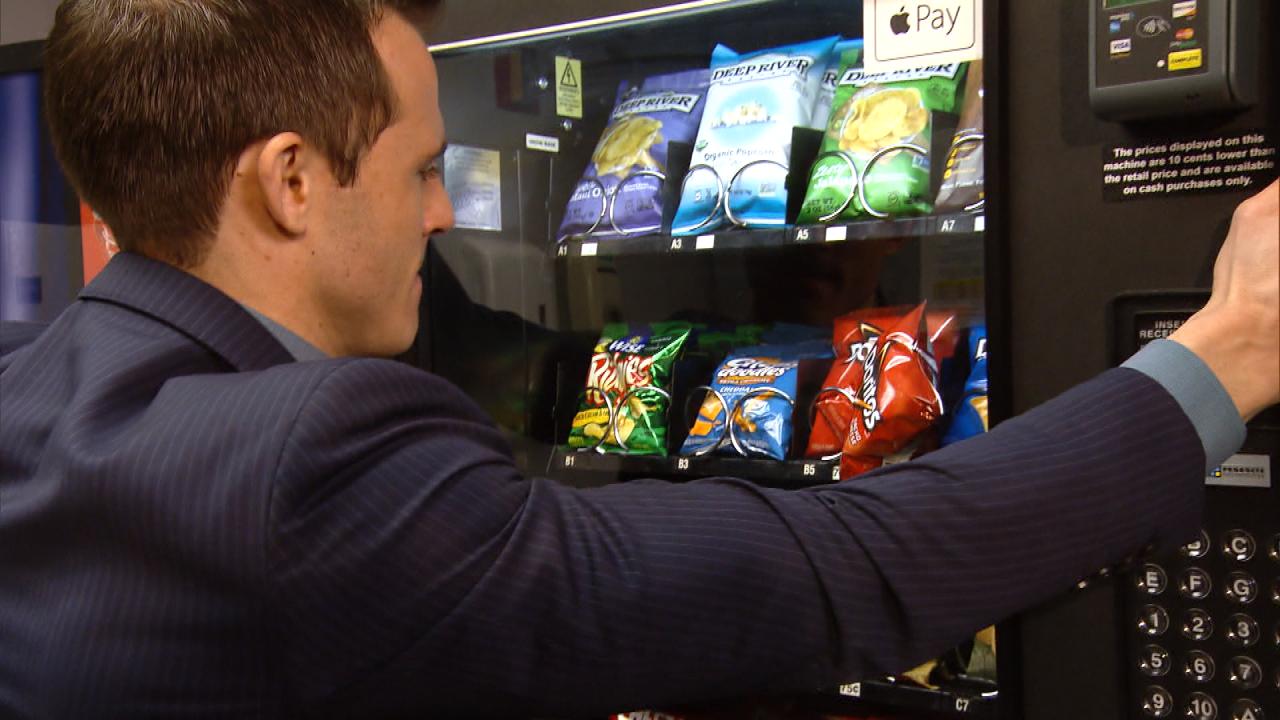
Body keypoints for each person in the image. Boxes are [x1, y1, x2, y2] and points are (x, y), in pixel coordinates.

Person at [1, 0, 1277, 717]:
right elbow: (843, 571)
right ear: (289, 181)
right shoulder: (307, 464)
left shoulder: (38, 385)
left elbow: (533, 398)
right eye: (419, 171)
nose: (440, 215)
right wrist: (1221, 353)